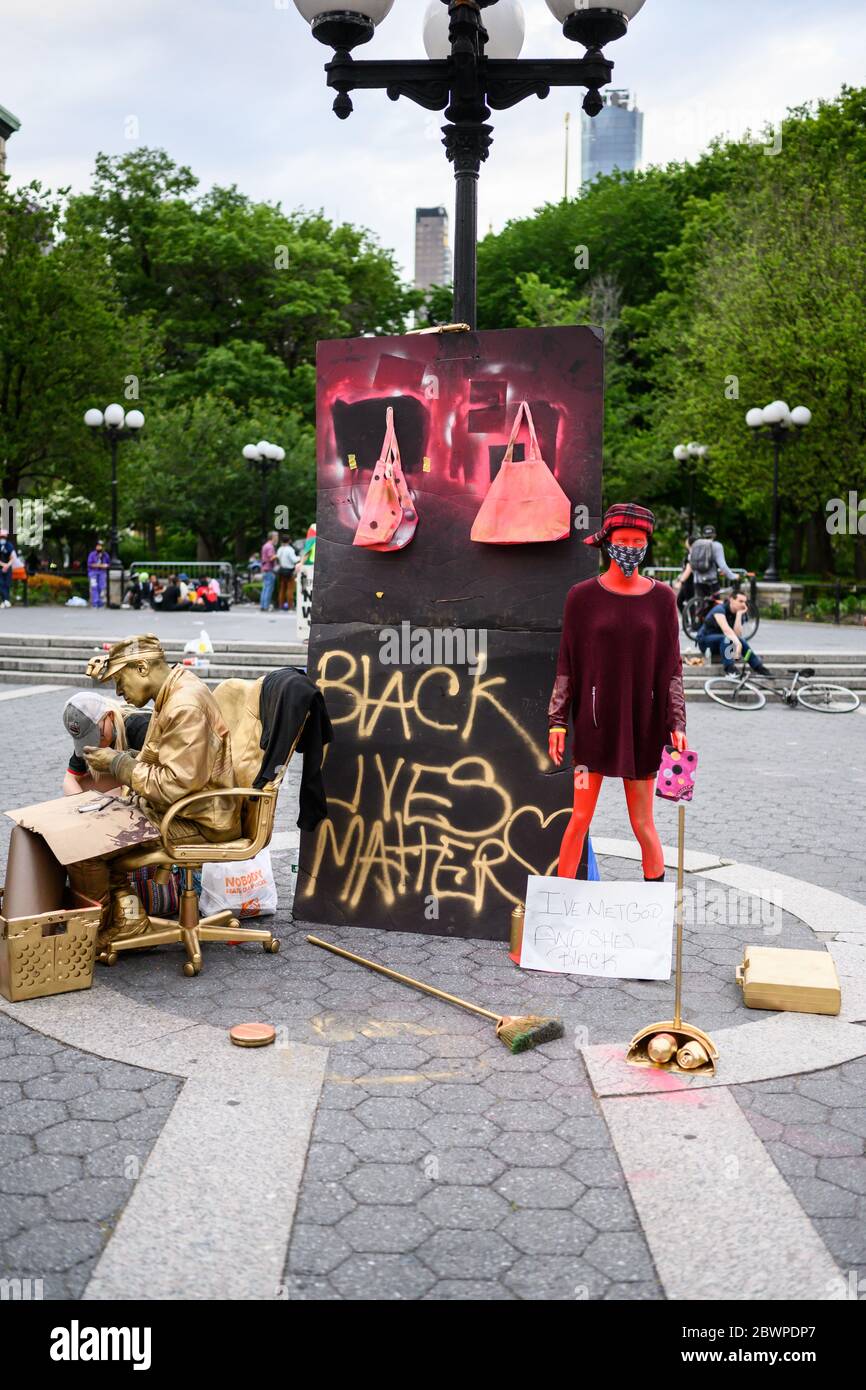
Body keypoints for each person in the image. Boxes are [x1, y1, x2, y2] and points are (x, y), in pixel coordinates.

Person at [549, 503, 687, 884]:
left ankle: (655, 913)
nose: (630, 547)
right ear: (607, 543)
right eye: (623, 540)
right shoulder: (581, 597)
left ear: (647, 545)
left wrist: (677, 721)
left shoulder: (662, 600)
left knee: (643, 823)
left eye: (638, 541)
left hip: (643, 726)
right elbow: (567, 663)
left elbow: (671, 668)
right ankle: (562, 906)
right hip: (591, 727)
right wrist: (557, 721)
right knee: (578, 818)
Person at [74, 634, 241, 948]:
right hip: (184, 807)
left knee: (83, 849)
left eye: (119, 681)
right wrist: (123, 763)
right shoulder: (174, 692)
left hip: (197, 819)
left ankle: (93, 935)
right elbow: (167, 764)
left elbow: (174, 785)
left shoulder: (184, 703)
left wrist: (118, 763)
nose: (118, 691)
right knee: (86, 830)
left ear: (141, 668)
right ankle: (128, 919)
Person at [62, 691, 151, 796]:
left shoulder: (140, 727)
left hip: (153, 782)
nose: (96, 744)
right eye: (88, 739)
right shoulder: (87, 739)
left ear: (110, 716)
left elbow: (155, 779)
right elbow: (70, 779)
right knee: (84, 783)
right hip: (131, 779)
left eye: (98, 735)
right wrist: (81, 804)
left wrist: (111, 799)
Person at [696, 591, 772, 677]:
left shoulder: (738, 613)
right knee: (727, 638)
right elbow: (726, 630)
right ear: (731, 600)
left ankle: (758, 667)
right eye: (740, 601)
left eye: (745, 602)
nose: (743, 605)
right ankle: (730, 669)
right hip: (705, 642)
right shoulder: (719, 609)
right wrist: (737, 643)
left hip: (723, 644)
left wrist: (739, 615)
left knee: (738, 640)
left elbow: (737, 635)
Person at [678, 525, 737, 615]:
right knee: (715, 605)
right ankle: (712, 625)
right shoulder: (716, 546)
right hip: (711, 581)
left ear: (703, 535)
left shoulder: (696, 545)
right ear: (714, 535)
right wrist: (733, 576)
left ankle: (698, 625)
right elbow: (722, 565)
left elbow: (691, 562)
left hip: (697, 580)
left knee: (701, 605)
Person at [276, 535, 298, 611]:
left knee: (282, 589)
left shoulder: (280, 549)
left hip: (281, 570)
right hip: (289, 571)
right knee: (290, 589)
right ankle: (290, 606)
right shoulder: (290, 549)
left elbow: (278, 557)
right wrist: (300, 558)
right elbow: (294, 560)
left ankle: (280, 605)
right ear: (289, 541)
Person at [87, 540, 110, 608]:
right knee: (94, 587)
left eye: (100, 546)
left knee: (101, 587)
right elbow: (90, 564)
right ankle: (96, 602)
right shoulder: (92, 554)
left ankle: (99, 601)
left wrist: (103, 565)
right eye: (98, 546)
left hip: (102, 573)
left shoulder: (105, 555)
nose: (99, 547)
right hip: (93, 572)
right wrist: (100, 565)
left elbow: (108, 564)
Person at [260, 531, 279, 612]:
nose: (277, 538)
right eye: (276, 537)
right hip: (269, 569)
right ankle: (266, 606)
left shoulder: (265, 546)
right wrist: (278, 555)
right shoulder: (270, 547)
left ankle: (263, 605)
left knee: (265, 588)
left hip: (264, 569)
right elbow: (271, 558)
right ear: (273, 537)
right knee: (269, 589)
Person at [0, 528, 15, 608]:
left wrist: (7, 565)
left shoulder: (9, 545)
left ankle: (5, 601)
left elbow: (12, 557)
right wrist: (3, 565)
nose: (3, 538)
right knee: (1, 584)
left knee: (7, 584)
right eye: (1, 537)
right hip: (0, 567)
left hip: (8, 567)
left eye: (4, 537)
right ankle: (5, 600)